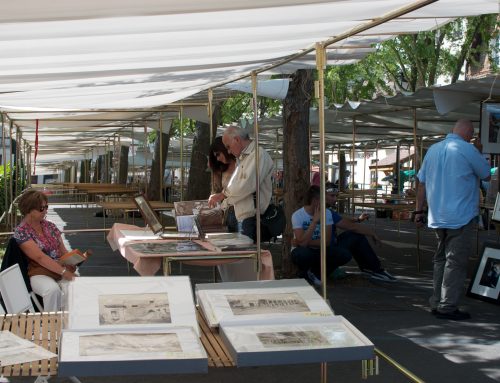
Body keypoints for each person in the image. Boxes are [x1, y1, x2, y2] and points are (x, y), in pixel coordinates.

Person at [415, 119, 490, 321]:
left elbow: (421, 183)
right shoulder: (467, 149)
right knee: (454, 262)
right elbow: (486, 174)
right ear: (468, 133)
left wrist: (418, 211)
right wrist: (480, 151)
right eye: (472, 134)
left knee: (440, 259)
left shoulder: (433, 149)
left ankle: (436, 300)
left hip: (438, 215)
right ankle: (447, 306)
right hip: (461, 215)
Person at [13, 189, 77, 311]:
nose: (46, 210)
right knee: (52, 290)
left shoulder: (50, 226)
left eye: (46, 207)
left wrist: (72, 262)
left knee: (76, 287)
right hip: (39, 272)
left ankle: (70, 323)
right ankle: (51, 325)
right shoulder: (21, 232)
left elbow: (63, 250)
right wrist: (64, 272)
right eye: (41, 208)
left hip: (59, 269)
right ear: (29, 210)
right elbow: (40, 258)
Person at [208, 125, 273, 241]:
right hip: (241, 216)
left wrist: (223, 196)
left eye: (228, 147)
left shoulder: (258, 154)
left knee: (245, 256)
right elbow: (237, 184)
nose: (228, 151)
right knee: (238, 254)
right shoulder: (243, 158)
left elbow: (245, 186)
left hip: (251, 218)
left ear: (237, 139)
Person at [324, 182, 396, 282]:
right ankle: (375, 269)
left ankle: (370, 268)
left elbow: (341, 219)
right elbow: (352, 227)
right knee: (355, 235)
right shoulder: (325, 212)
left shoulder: (327, 211)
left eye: (336, 196)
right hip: (326, 252)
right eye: (332, 196)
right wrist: (372, 233)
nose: (335, 199)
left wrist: (358, 219)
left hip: (327, 249)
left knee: (354, 236)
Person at [207, 136, 238, 232]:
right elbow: (215, 193)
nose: (218, 159)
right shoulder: (219, 170)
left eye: (218, 154)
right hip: (228, 214)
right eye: (215, 157)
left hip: (246, 212)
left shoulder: (241, 163)